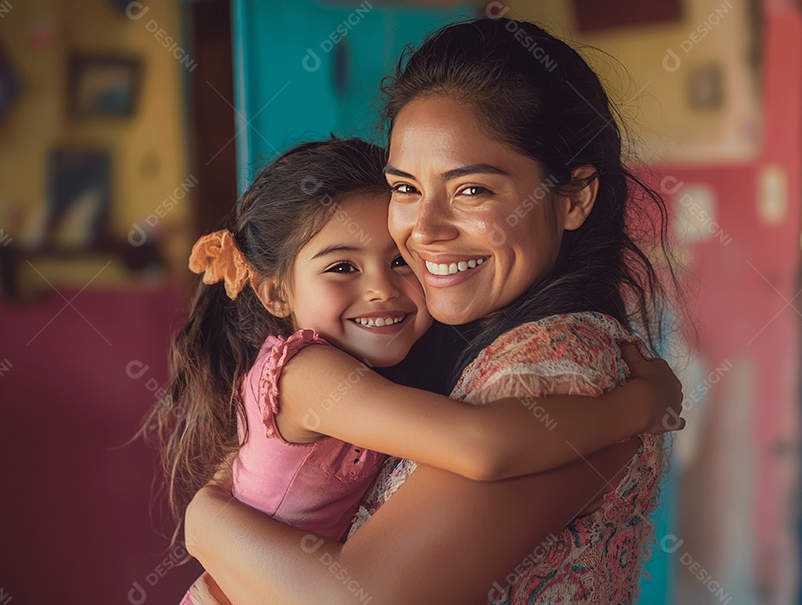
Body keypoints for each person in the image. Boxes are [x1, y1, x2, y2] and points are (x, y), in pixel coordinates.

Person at [184, 17, 684, 604]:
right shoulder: (392, 361)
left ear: (573, 197)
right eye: (406, 188)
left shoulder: (555, 367)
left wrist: (206, 522)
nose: (422, 233)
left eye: (472, 190)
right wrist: (205, 517)